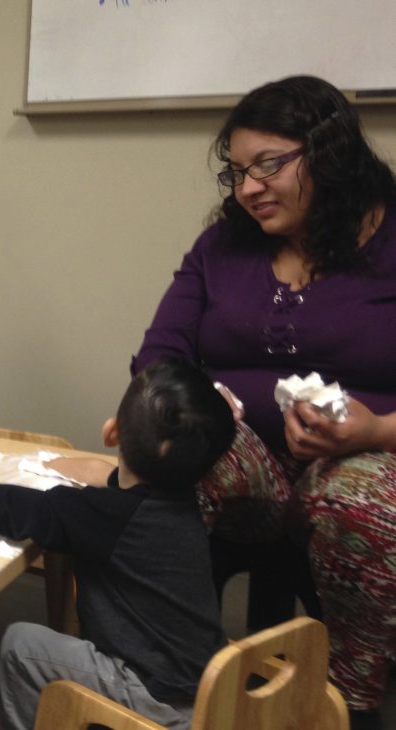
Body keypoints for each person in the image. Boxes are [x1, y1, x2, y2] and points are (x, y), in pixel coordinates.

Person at [131, 75, 396, 729]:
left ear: (327, 153)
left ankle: (348, 705)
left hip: (365, 468)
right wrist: (193, 406)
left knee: (357, 502)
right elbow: (157, 358)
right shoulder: (223, 247)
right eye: (237, 171)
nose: (247, 188)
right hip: (247, 463)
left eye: (267, 165)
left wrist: (375, 431)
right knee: (161, 458)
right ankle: (172, 686)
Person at [0, 359, 235, 730]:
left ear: (112, 433)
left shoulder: (105, 516)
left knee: (20, 646)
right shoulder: (182, 497)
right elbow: (106, 474)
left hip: (156, 697)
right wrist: (49, 462)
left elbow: (20, 507)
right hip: (209, 681)